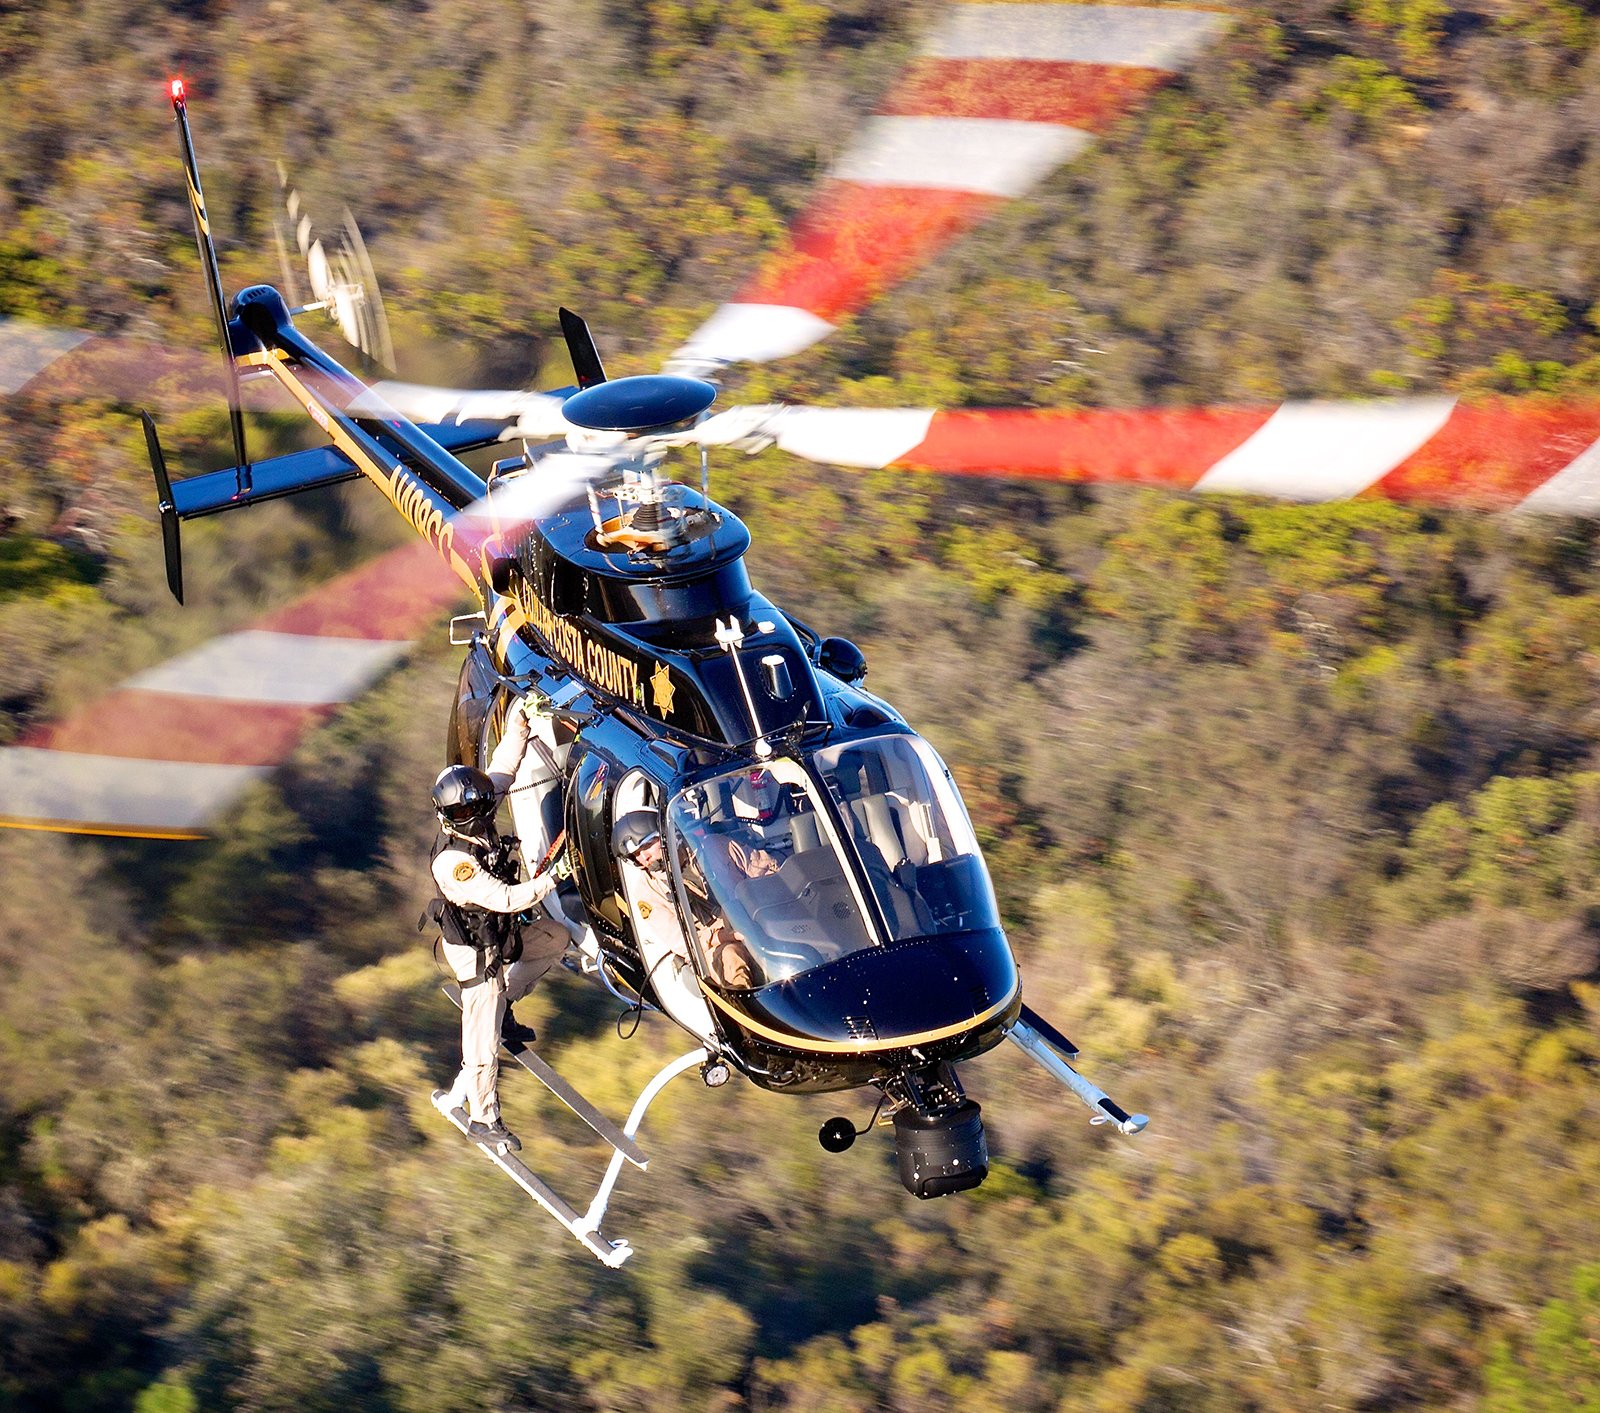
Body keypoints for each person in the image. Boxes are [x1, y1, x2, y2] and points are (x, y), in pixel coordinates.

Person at [426, 703, 569, 1154]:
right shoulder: (454, 863)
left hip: (499, 933)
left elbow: (504, 768)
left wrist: (519, 725)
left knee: (554, 939)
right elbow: (507, 899)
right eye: (482, 815)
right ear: (461, 818)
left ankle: (505, 1005)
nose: (491, 818)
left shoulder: (477, 809)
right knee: (482, 1041)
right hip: (475, 950)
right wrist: (554, 877)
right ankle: (483, 1117)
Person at [614, 809, 760, 990]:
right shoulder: (647, 891)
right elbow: (684, 943)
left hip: (757, 920)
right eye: (636, 854)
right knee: (731, 957)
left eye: (647, 845)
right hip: (713, 947)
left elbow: (768, 874)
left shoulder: (715, 847)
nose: (644, 857)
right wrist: (728, 935)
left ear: (666, 834)